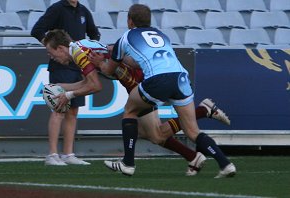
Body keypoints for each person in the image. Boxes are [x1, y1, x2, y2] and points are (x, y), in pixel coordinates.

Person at [43, 29, 232, 176]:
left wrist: (67, 95)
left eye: (52, 54)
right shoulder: (80, 47)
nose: (53, 58)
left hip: (139, 82)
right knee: (151, 134)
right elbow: (89, 81)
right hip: (135, 82)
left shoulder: (78, 52)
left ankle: (129, 163)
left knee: (150, 130)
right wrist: (63, 87)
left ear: (60, 48)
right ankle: (194, 152)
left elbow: (95, 86)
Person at [89, 4, 236, 178]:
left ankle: (128, 163)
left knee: (130, 110)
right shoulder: (161, 34)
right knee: (192, 132)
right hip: (181, 78)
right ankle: (225, 164)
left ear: (130, 21)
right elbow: (139, 61)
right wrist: (122, 59)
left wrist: (99, 63)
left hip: (158, 80)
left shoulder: (126, 37)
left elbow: (108, 70)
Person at [31, 0, 100, 165]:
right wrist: (51, 48)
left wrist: (89, 51)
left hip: (78, 65)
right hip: (60, 67)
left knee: (73, 111)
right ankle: (52, 154)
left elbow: (94, 33)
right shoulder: (57, 8)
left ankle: (68, 154)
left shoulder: (83, 10)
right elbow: (37, 30)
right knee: (59, 108)